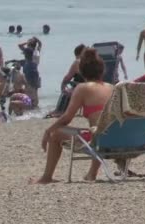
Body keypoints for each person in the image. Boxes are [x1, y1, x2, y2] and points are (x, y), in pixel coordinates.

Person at [31, 48, 114, 184]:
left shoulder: (82, 88)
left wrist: (48, 130)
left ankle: (46, 177)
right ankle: (91, 174)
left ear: (81, 71)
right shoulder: (111, 87)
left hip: (99, 139)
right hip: (116, 137)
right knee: (99, 129)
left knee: (57, 133)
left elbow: (67, 118)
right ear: (102, 70)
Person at [47, 44, 85, 118]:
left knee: (66, 92)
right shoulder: (92, 63)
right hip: (90, 86)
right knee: (69, 90)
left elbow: (68, 77)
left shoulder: (77, 62)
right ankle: (58, 111)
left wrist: (63, 86)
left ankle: (60, 111)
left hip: (81, 87)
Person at [18, 37, 42, 108]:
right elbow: (40, 44)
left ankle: (28, 105)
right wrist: (37, 40)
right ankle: (35, 105)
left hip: (28, 70)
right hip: (35, 71)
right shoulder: (37, 51)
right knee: (35, 90)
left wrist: (26, 42)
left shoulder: (28, 50)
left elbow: (19, 45)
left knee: (28, 89)